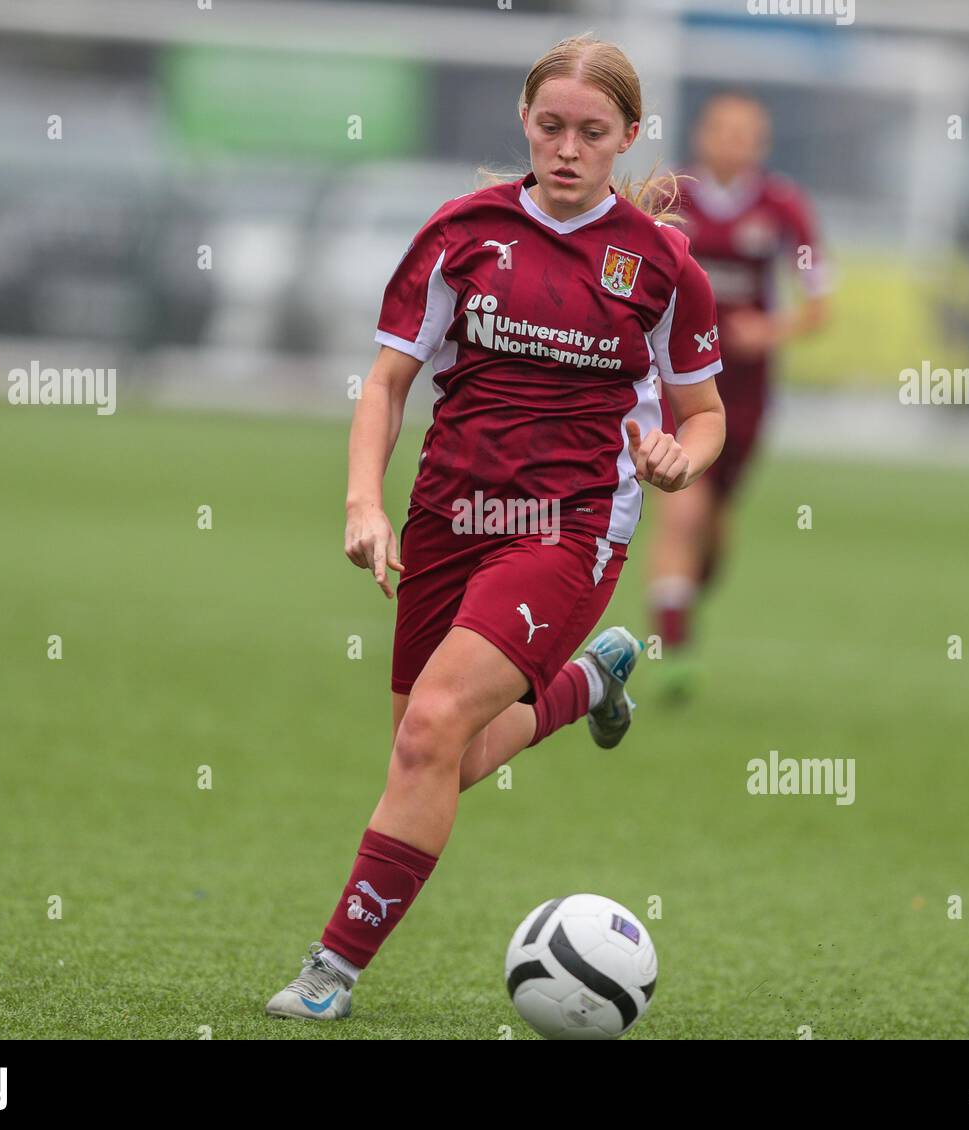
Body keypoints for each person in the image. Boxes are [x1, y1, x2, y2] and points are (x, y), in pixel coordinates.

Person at [266, 33, 725, 1021]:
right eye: (550, 126)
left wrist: (683, 453)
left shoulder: (659, 266)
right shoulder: (458, 231)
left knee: (433, 727)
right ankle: (589, 680)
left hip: (567, 526)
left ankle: (330, 969)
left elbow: (705, 409)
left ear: (628, 137)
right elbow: (387, 380)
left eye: (591, 133)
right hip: (449, 513)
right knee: (445, 756)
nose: (566, 148)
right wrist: (362, 501)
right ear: (524, 121)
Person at [649, 93, 832, 695]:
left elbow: (820, 306)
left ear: (761, 144)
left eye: (746, 133)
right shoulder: (667, 197)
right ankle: (673, 652)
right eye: (722, 130)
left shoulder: (784, 209)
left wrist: (769, 330)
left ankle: (681, 605)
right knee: (682, 511)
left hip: (745, 397)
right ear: (702, 135)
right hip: (678, 387)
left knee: (715, 532)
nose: (733, 142)